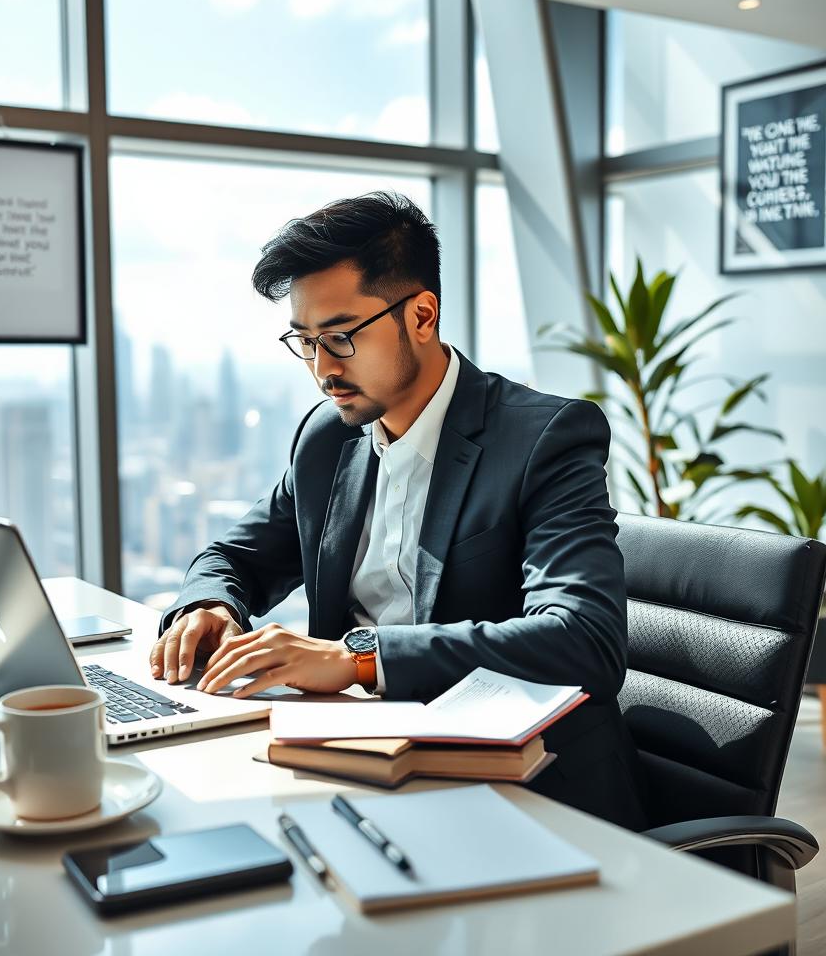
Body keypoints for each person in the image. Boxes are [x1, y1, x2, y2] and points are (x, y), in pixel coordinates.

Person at [150, 191, 647, 831]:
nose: (323, 370)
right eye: (304, 342)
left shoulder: (544, 438)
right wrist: (209, 607)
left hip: (522, 794)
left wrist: (361, 657)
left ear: (421, 315)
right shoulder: (328, 439)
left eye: (340, 337)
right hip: (359, 773)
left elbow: (584, 640)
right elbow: (233, 557)